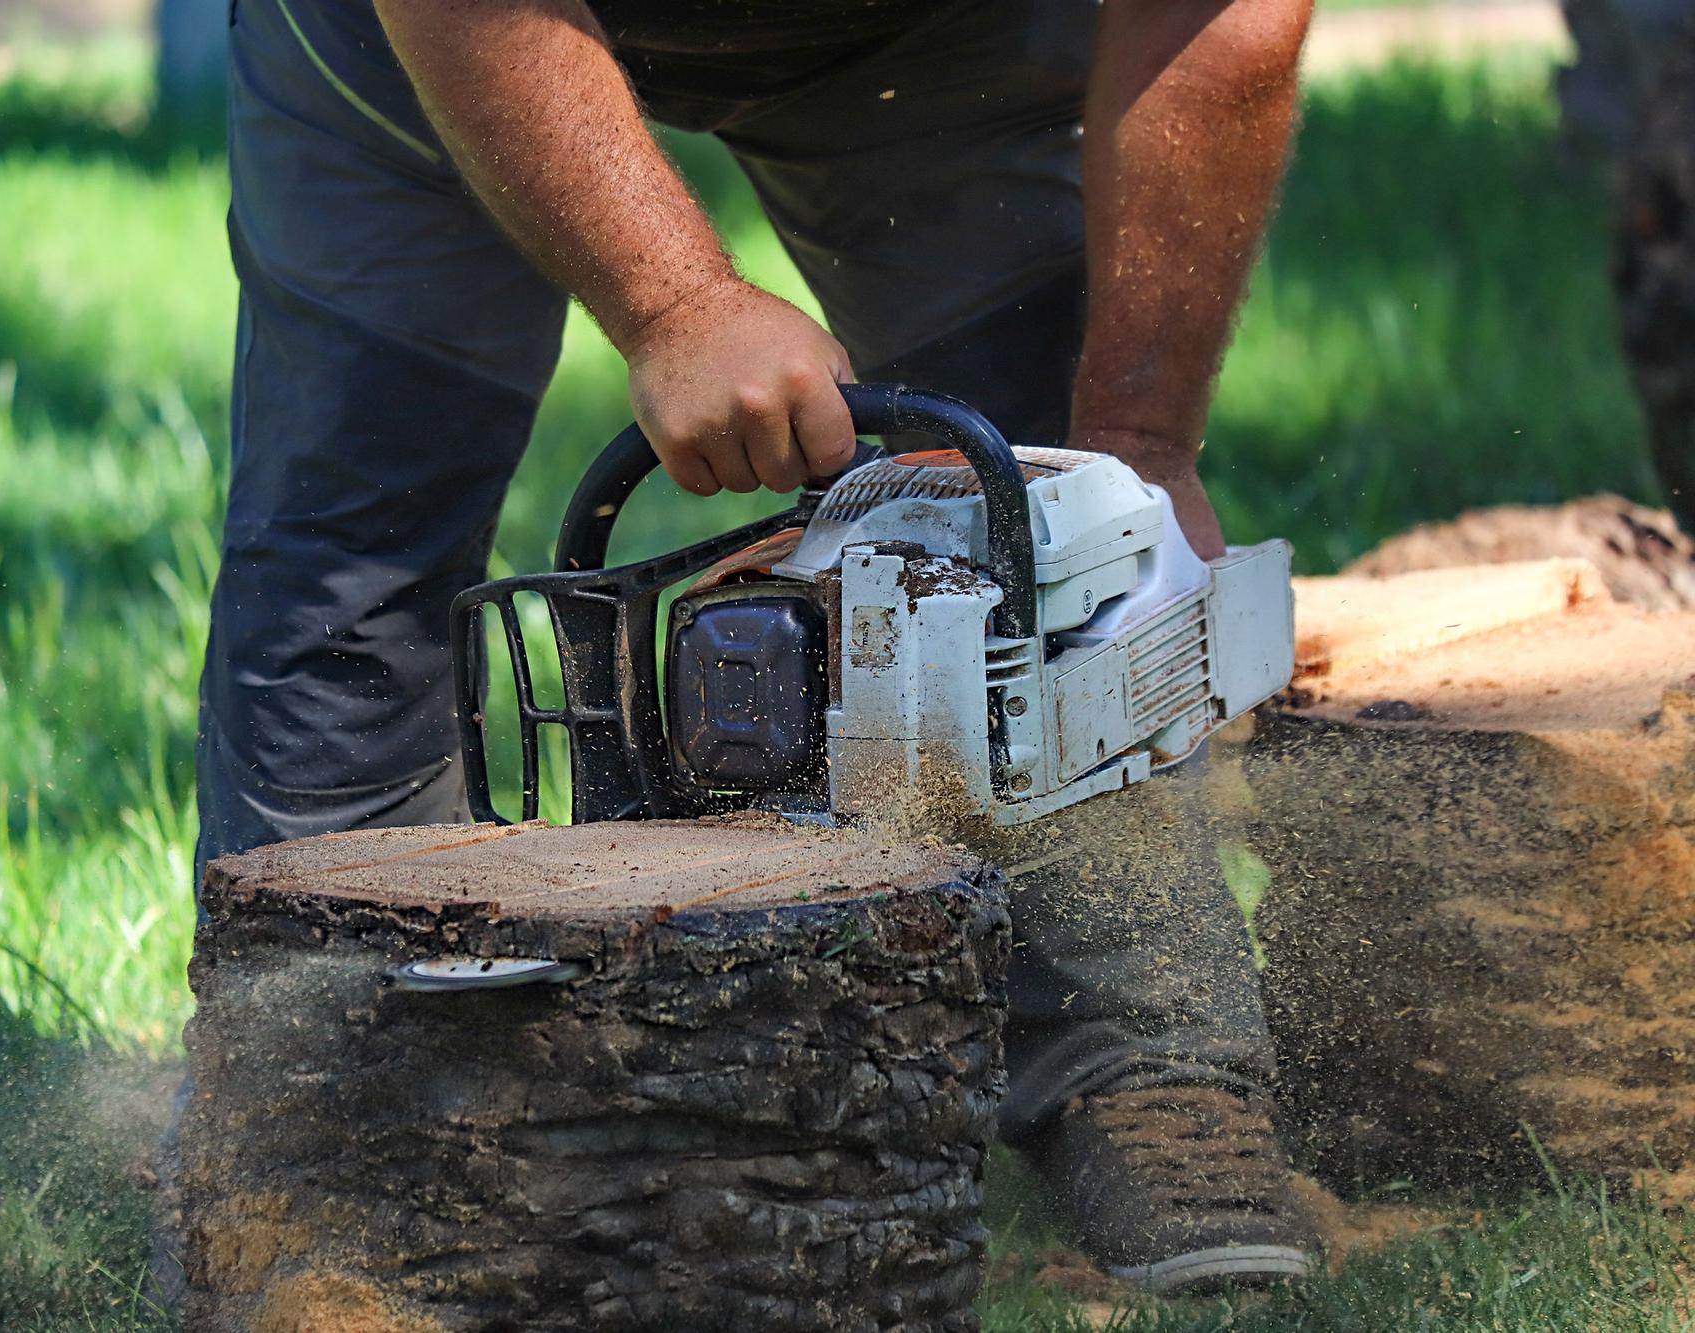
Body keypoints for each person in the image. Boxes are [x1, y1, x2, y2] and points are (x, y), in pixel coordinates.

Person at [197, 0, 1319, 1295]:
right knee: (357, 555)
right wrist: (675, 301)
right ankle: (322, 1117)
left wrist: (1138, 442)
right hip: (426, 32)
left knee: (1047, 508)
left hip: (914, 43)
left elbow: (1219, 18)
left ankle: (1147, 1068)